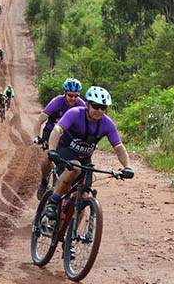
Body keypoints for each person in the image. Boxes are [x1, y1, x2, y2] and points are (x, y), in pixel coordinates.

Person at [44, 86, 134, 219]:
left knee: (82, 198)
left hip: (85, 158)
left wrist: (128, 167)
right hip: (65, 149)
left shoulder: (107, 124)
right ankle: (52, 202)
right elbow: (57, 130)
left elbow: (119, 148)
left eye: (103, 107)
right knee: (75, 168)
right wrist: (52, 150)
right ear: (87, 105)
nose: (99, 111)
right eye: (96, 106)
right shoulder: (74, 113)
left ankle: (71, 231)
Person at [32, 78, 86, 199]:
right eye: (70, 95)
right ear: (64, 93)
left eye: (76, 96)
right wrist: (36, 136)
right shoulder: (57, 102)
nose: (73, 99)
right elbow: (40, 120)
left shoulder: (81, 105)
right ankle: (44, 182)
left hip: (68, 135)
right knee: (47, 158)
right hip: (51, 131)